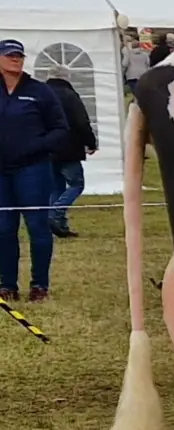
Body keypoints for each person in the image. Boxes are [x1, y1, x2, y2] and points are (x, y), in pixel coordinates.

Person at [0, 40, 68, 302]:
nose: (15, 59)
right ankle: (7, 285)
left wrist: (35, 147)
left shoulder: (40, 91)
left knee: (38, 227)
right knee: (4, 228)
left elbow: (61, 129)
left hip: (33, 169)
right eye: (9, 55)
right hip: (1, 172)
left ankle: (40, 285)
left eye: (19, 55)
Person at [42, 77, 95, 239]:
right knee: (76, 184)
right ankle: (56, 213)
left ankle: (59, 226)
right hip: (69, 148)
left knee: (56, 187)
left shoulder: (41, 94)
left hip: (48, 147)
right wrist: (90, 142)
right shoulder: (70, 95)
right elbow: (81, 122)